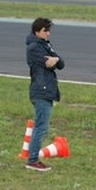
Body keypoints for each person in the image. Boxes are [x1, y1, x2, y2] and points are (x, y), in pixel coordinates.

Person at [25, 17, 65, 172]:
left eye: (49, 30)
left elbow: (60, 63)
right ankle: (32, 160)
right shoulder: (34, 47)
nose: (48, 33)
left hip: (47, 90)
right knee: (40, 127)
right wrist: (54, 60)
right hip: (40, 90)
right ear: (37, 31)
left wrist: (55, 59)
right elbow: (48, 63)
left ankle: (33, 158)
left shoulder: (46, 45)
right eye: (45, 30)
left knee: (41, 126)